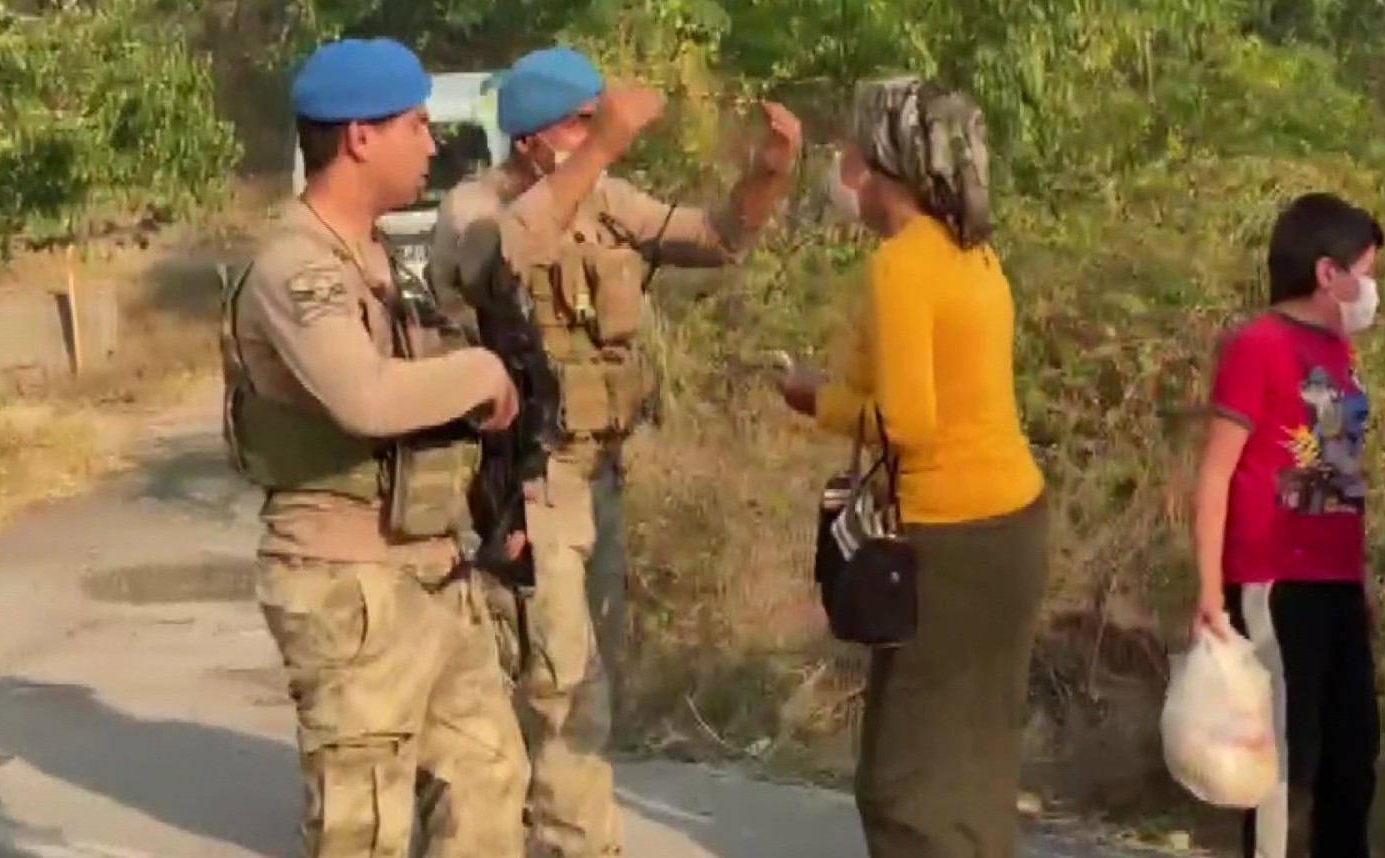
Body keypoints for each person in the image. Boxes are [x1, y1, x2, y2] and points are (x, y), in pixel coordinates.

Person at [428, 45, 802, 858]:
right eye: (580, 126)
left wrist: (769, 176)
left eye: (597, 125)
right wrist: (598, 154)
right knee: (563, 684)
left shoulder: (602, 201)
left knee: (576, 673)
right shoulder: (473, 209)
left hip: (597, 475)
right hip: (526, 479)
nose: (598, 139)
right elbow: (493, 265)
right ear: (532, 140)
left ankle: (527, 827)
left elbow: (715, 238)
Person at [218, 37, 529, 858]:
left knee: (490, 783)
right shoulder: (297, 266)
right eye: (417, 125)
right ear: (360, 137)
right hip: (346, 582)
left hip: (430, 568)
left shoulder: (382, 258)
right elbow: (365, 396)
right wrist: (481, 371)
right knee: (366, 830)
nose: (432, 143)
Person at [775, 76, 1048, 858]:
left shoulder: (903, 265)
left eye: (854, 151)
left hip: (950, 538)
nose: (842, 167)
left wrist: (814, 399)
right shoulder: (973, 252)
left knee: (903, 786)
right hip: (1013, 524)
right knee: (975, 758)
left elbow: (910, 424)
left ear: (886, 163)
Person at [1191, 191, 1384, 858]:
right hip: (1275, 582)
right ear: (1328, 273)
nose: (1372, 289)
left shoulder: (1337, 355)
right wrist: (1211, 591)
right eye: (1366, 270)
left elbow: (1340, 470)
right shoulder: (1258, 346)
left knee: (1351, 762)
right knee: (1280, 769)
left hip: (1337, 583)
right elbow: (1217, 471)